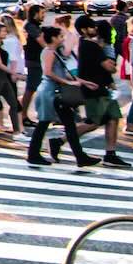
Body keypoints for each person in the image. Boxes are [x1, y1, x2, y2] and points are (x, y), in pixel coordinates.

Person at [53, 14, 129, 169]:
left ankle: (110, 154)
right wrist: (110, 60)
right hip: (94, 90)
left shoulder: (86, 44)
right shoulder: (91, 46)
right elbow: (110, 67)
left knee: (113, 118)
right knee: (93, 122)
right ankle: (59, 141)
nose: (95, 29)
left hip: (102, 88)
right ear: (84, 30)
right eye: (92, 27)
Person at [26, 25, 99, 168]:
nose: (62, 39)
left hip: (55, 92)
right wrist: (68, 83)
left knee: (69, 125)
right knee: (44, 123)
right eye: (60, 36)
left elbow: (63, 72)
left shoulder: (54, 52)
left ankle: (80, 157)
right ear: (53, 38)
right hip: (50, 93)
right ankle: (33, 154)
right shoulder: (49, 52)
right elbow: (48, 72)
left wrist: (83, 82)